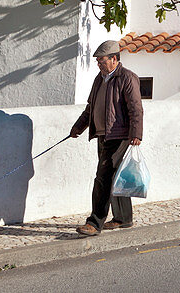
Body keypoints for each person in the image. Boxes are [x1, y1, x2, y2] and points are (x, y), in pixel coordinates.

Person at [70, 39, 143, 236]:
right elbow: (90, 107)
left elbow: (135, 108)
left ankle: (94, 222)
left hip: (119, 136)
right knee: (116, 177)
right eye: (97, 61)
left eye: (101, 60)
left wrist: (136, 133)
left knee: (102, 178)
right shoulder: (99, 79)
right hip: (102, 135)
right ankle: (123, 218)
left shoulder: (127, 78)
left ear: (114, 58)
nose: (99, 63)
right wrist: (78, 127)